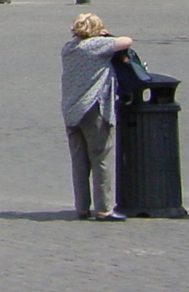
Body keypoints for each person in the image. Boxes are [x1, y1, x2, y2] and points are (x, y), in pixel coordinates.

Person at [61, 13, 133, 221]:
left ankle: (82, 207)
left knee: (79, 161)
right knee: (100, 157)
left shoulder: (68, 49)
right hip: (93, 108)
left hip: (71, 109)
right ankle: (104, 208)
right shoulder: (96, 46)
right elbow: (126, 41)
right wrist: (105, 34)